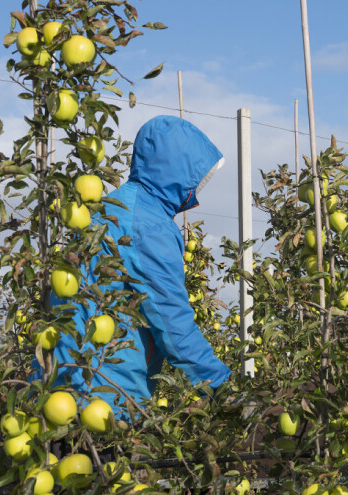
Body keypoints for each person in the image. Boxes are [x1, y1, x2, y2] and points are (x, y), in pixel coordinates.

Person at [49, 115, 231, 418]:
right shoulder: (147, 225)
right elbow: (172, 321)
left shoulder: (113, 207)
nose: (198, 187)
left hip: (60, 384)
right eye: (196, 177)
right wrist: (220, 386)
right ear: (176, 170)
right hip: (102, 396)